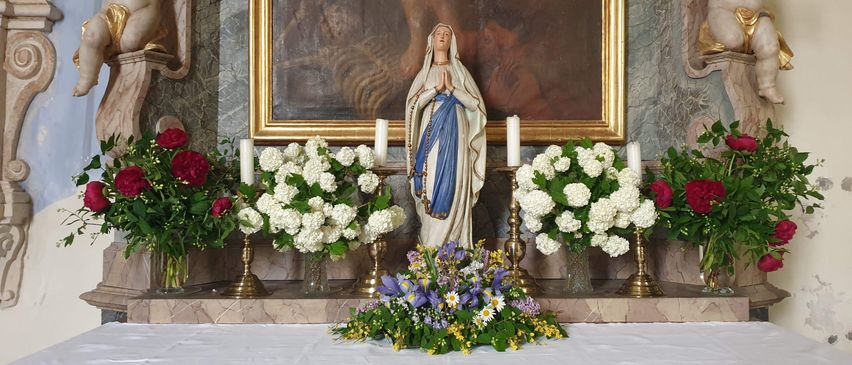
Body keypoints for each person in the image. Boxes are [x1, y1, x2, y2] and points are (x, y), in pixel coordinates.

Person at [405, 24, 487, 248]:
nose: (443, 37)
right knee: (430, 184)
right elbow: (413, 105)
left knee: (454, 182)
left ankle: (455, 247)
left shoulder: (460, 71)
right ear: (431, 40)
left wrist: (451, 89)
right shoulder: (425, 73)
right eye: (439, 34)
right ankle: (432, 248)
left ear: (452, 42)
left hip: (456, 137)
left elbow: (475, 104)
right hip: (430, 135)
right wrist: (435, 90)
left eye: (447, 34)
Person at [73, 0, 164, 97]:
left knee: (131, 41)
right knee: (91, 37)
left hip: (142, 9)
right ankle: (87, 77)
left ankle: (121, 48)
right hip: (109, 11)